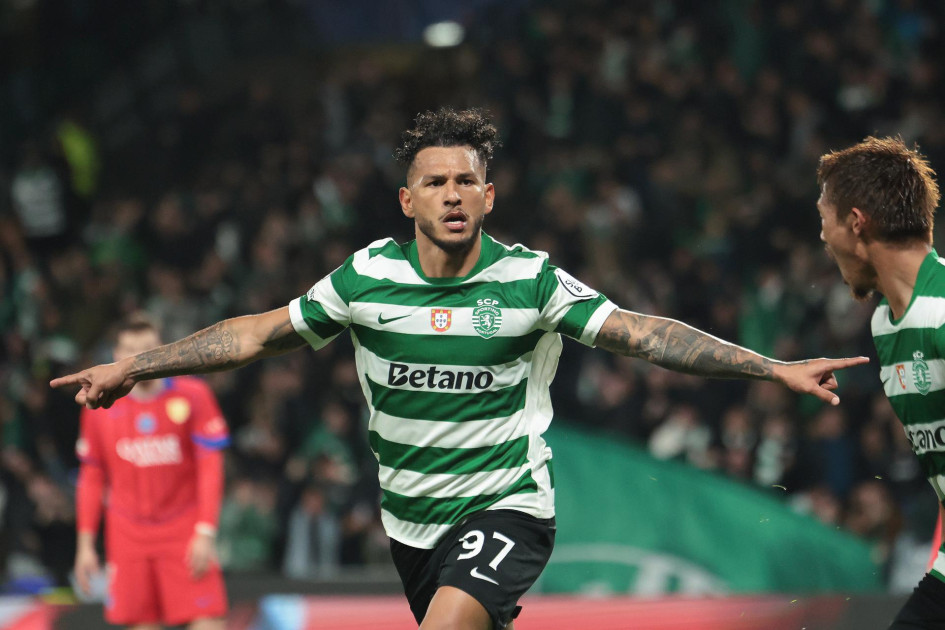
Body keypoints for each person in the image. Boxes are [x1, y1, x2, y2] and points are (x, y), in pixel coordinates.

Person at [54, 108, 866, 630]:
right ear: (406, 201)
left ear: (487, 197)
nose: (451, 194)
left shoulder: (531, 281)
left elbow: (642, 335)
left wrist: (769, 368)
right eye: (434, 182)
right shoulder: (364, 278)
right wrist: (141, 366)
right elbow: (260, 333)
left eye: (465, 182)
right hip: (410, 523)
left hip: (508, 505)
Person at [816, 136, 944, 629]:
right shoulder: (886, 325)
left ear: (854, 223)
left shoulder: (942, 311)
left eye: (824, 220)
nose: (823, 238)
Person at [73, 314, 230, 630]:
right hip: (128, 534)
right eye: (129, 351)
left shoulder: (193, 395)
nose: (137, 359)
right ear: (115, 356)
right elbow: (91, 477)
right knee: (141, 623)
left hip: (183, 530)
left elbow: (210, 467)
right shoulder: (99, 406)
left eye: (146, 350)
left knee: (209, 622)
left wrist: (205, 531)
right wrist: (85, 545)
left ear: (161, 350)